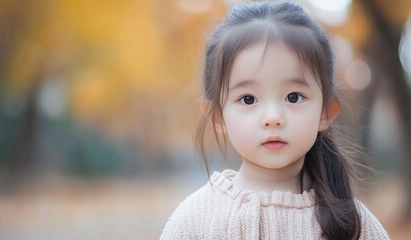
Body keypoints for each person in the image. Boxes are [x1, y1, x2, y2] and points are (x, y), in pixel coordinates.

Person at [160, 1, 390, 239]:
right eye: (248, 99)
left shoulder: (352, 224)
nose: (272, 118)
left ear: (325, 113)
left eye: (293, 97)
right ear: (218, 116)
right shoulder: (195, 221)